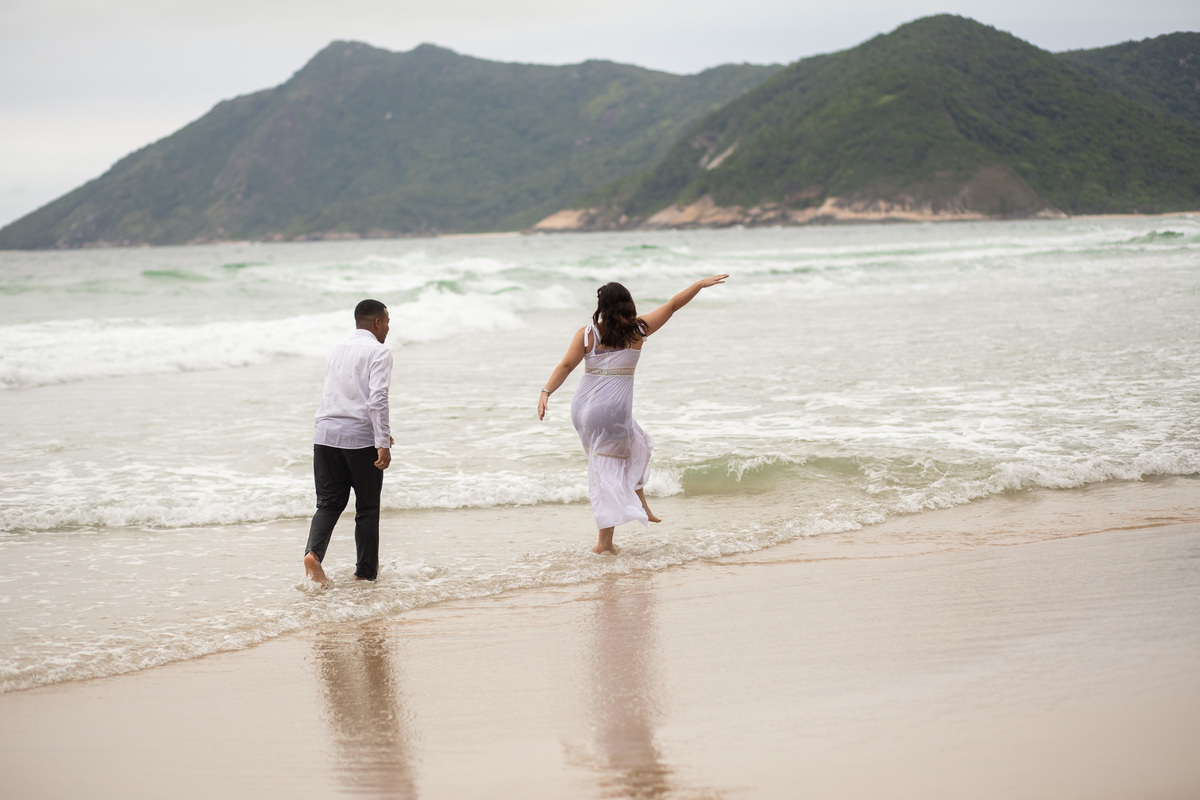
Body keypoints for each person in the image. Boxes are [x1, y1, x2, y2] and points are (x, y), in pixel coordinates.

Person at [537, 275, 728, 554]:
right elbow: (673, 305)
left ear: (602, 307)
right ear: (628, 303)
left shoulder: (588, 334)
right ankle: (604, 542)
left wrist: (546, 392)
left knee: (633, 447)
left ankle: (637, 508)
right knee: (610, 468)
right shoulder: (638, 330)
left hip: (583, 410)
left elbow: (566, 366)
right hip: (612, 411)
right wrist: (699, 285)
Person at [303, 299, 393, 587]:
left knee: (328, 503)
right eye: (387, 322)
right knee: (367, 508)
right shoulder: (379, 352)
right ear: (377, 322)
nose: (388, 329)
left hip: (325, 435)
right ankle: (365, 574)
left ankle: (313, 554)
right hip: (359, 439)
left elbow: (341, 394)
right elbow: (377, 399)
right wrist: (382, 441)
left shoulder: (337, 348)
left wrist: (381, 432)